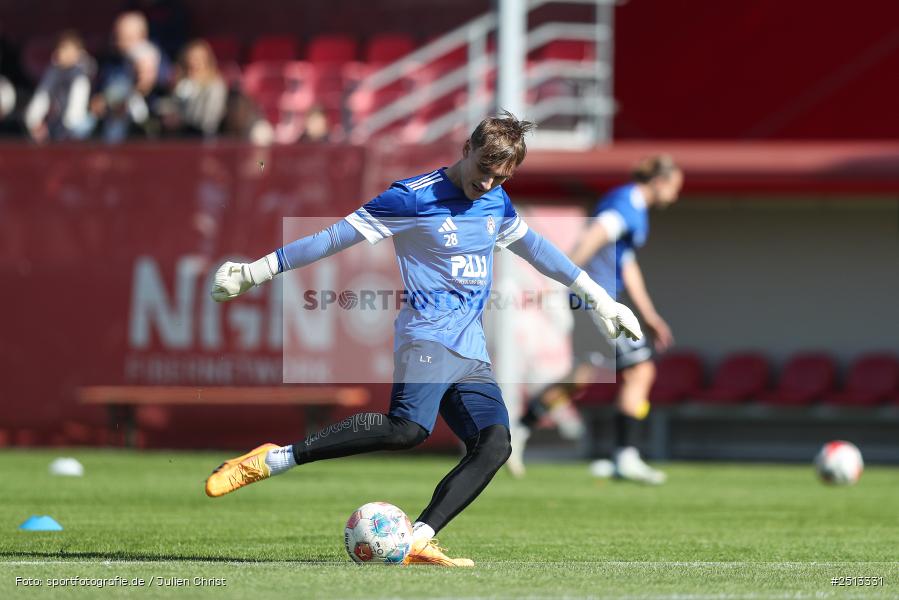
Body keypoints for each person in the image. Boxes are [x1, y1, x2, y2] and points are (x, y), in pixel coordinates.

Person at [203, 112, 642, 566]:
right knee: (407, 430)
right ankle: (273, 459)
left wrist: (599, 299)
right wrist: (257, 271)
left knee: (494, 445)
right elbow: (334, 237)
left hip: (470, 349)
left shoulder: (497, 203)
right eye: (483, 171)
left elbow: (539, 252)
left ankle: (418, 536)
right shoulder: (411, 197)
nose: (488, 184)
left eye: (501, 177)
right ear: (466, 150)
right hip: (426, 337)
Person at [508, 155, 683, 484]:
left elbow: (626, 266)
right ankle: (625, 457)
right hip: (595, 299)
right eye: (675, 188)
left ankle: (518, 430)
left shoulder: (637, 212)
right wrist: (561, 279)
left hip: (595, 299)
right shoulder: (626, 204)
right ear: (660, 181)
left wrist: (649, 316)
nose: (675, 196)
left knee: (580, 376)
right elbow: (592, 237)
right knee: (641, 370)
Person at [24, 31, 94, 142]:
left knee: (83, 127)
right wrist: (34, 121)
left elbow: (76, 111)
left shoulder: (84, 71)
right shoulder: (53, 72)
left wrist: (69, 126)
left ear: (79, 52)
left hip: (80, 124)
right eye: (63, 49)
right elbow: (42, 96)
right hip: (59, 123)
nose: (65, 54)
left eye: (70, 50)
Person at [159, 39, 226, 137]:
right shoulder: (182, 84)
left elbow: (209, 122)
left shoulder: (215, 87)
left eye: (198, 59)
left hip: (202, 140)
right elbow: (170, 107)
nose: (193, 63)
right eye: (190, 59)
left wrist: (182, 122)